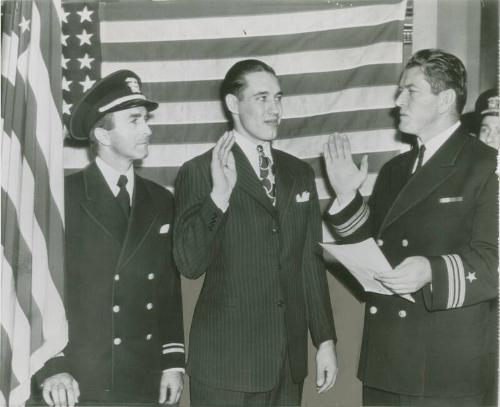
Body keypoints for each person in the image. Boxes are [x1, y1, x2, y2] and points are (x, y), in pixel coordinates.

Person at [324, 49, 498, 406]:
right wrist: (346, 195)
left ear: (445, 99)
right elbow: (374, 251)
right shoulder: (394, 170)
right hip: (386, 361)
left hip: (444, 369)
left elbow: (494, 263)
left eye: (411, 91)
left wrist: (432, 271)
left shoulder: (484, 165)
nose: (398, 101)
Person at [173, 59, 337, 407]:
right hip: (226, 365)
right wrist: (219, 196)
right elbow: (189, 263)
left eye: (278, 98)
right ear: (233, 104)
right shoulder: (200, 171)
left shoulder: (299, 173)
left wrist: (324, 340)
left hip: (286, 363)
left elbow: (310, 261)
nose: (274, 109)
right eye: (262, 98)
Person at [35, 70, 185, 406]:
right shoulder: (62, 199)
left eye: (145, 118)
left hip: (144, 377)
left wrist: (173, 361)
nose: (148, 128)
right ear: (102, 134)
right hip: (78, 380)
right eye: (134, 120)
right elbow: (38, 291)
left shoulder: (161, 201)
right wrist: (53, 367)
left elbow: (167, 290)